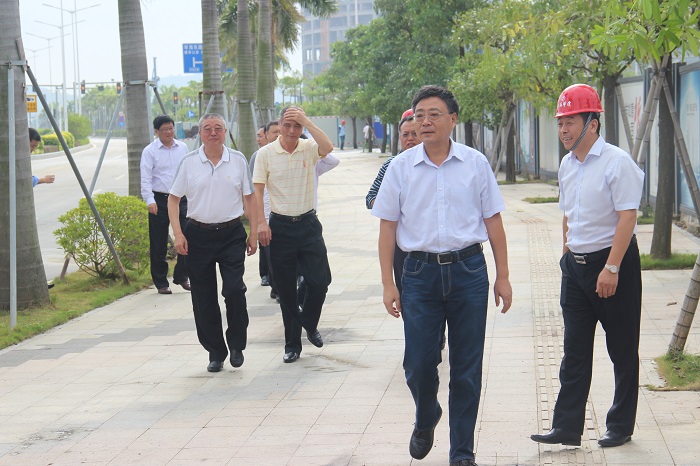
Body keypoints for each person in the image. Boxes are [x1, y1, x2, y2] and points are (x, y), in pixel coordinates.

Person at [372, 85, 512, 466]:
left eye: (434, 114)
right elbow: (387, 228)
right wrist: (388, 283)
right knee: (418, 363)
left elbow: (493, 221)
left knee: (466, 367)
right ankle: (426, 413)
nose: (425, 121)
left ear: (453, 119)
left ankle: (462, 452)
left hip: (469, 271)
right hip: (419, 273)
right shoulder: (400, 168)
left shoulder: (475, 164)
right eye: (419, 115)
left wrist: (502, 276)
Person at [530, 84, 644, 448]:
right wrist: (567, 255)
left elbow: (627, 217)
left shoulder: (616, 162)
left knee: (622, 349)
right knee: (574, 350)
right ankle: (566, 427)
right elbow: (569, 215)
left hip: (612, 263)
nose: (563, 129)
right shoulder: (567, 164)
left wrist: (612, 268)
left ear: (592, 123)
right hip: (576, 268)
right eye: (560, 122)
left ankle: (620, 426)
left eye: (570, 122)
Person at [168, 113, 257, 373]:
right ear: (200, 134)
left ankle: (237, 344)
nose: (213, 133)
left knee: (234, 290)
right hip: (197, 235)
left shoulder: (237, 160)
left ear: (226, 132)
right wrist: (178, 234)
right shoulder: (189, 162)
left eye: (218, 128)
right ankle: (215, 352)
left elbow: (250, 198)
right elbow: (173, 199)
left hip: (231, 234)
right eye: (207, 128)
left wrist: (253, 231)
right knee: (203, 298)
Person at [253, 106, 334, 364]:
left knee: (320, 281)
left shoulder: (308, 148)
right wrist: (261, 223)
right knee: (286, 289)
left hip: (309, 224)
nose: (291, 131)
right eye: (287, 125)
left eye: (296, 126)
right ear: (279, 125)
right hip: (280, 227)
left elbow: (328, 147)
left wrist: (306, 121)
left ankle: (308, 321)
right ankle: (292, 344)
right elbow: (257, 191)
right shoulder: (265, 154)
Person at [365, 109, 420, 293]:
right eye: (405, 134)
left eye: (414, 134)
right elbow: (370, 197)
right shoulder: (392, 164)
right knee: (406, 295)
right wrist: (391, 207)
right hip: (401, 243)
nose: (410, 139)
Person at [140, 115, 191, 295]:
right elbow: (145, 178)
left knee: (188, 235)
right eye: (165, 130)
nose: (169, 132)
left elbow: (188, 172)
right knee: (159, 242)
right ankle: (161, 281)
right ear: (156, 132)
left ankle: (182, 275)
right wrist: (149, 200)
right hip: (159, 199)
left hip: (181, 198)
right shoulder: (150, 151)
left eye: (171, 128)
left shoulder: (183, 148)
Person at [251, 124, 272, 288]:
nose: (258, 139)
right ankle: (265, 274)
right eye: (257, 136)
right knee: (264, 245)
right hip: (262, 206)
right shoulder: (257, 156)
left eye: (260, 136)